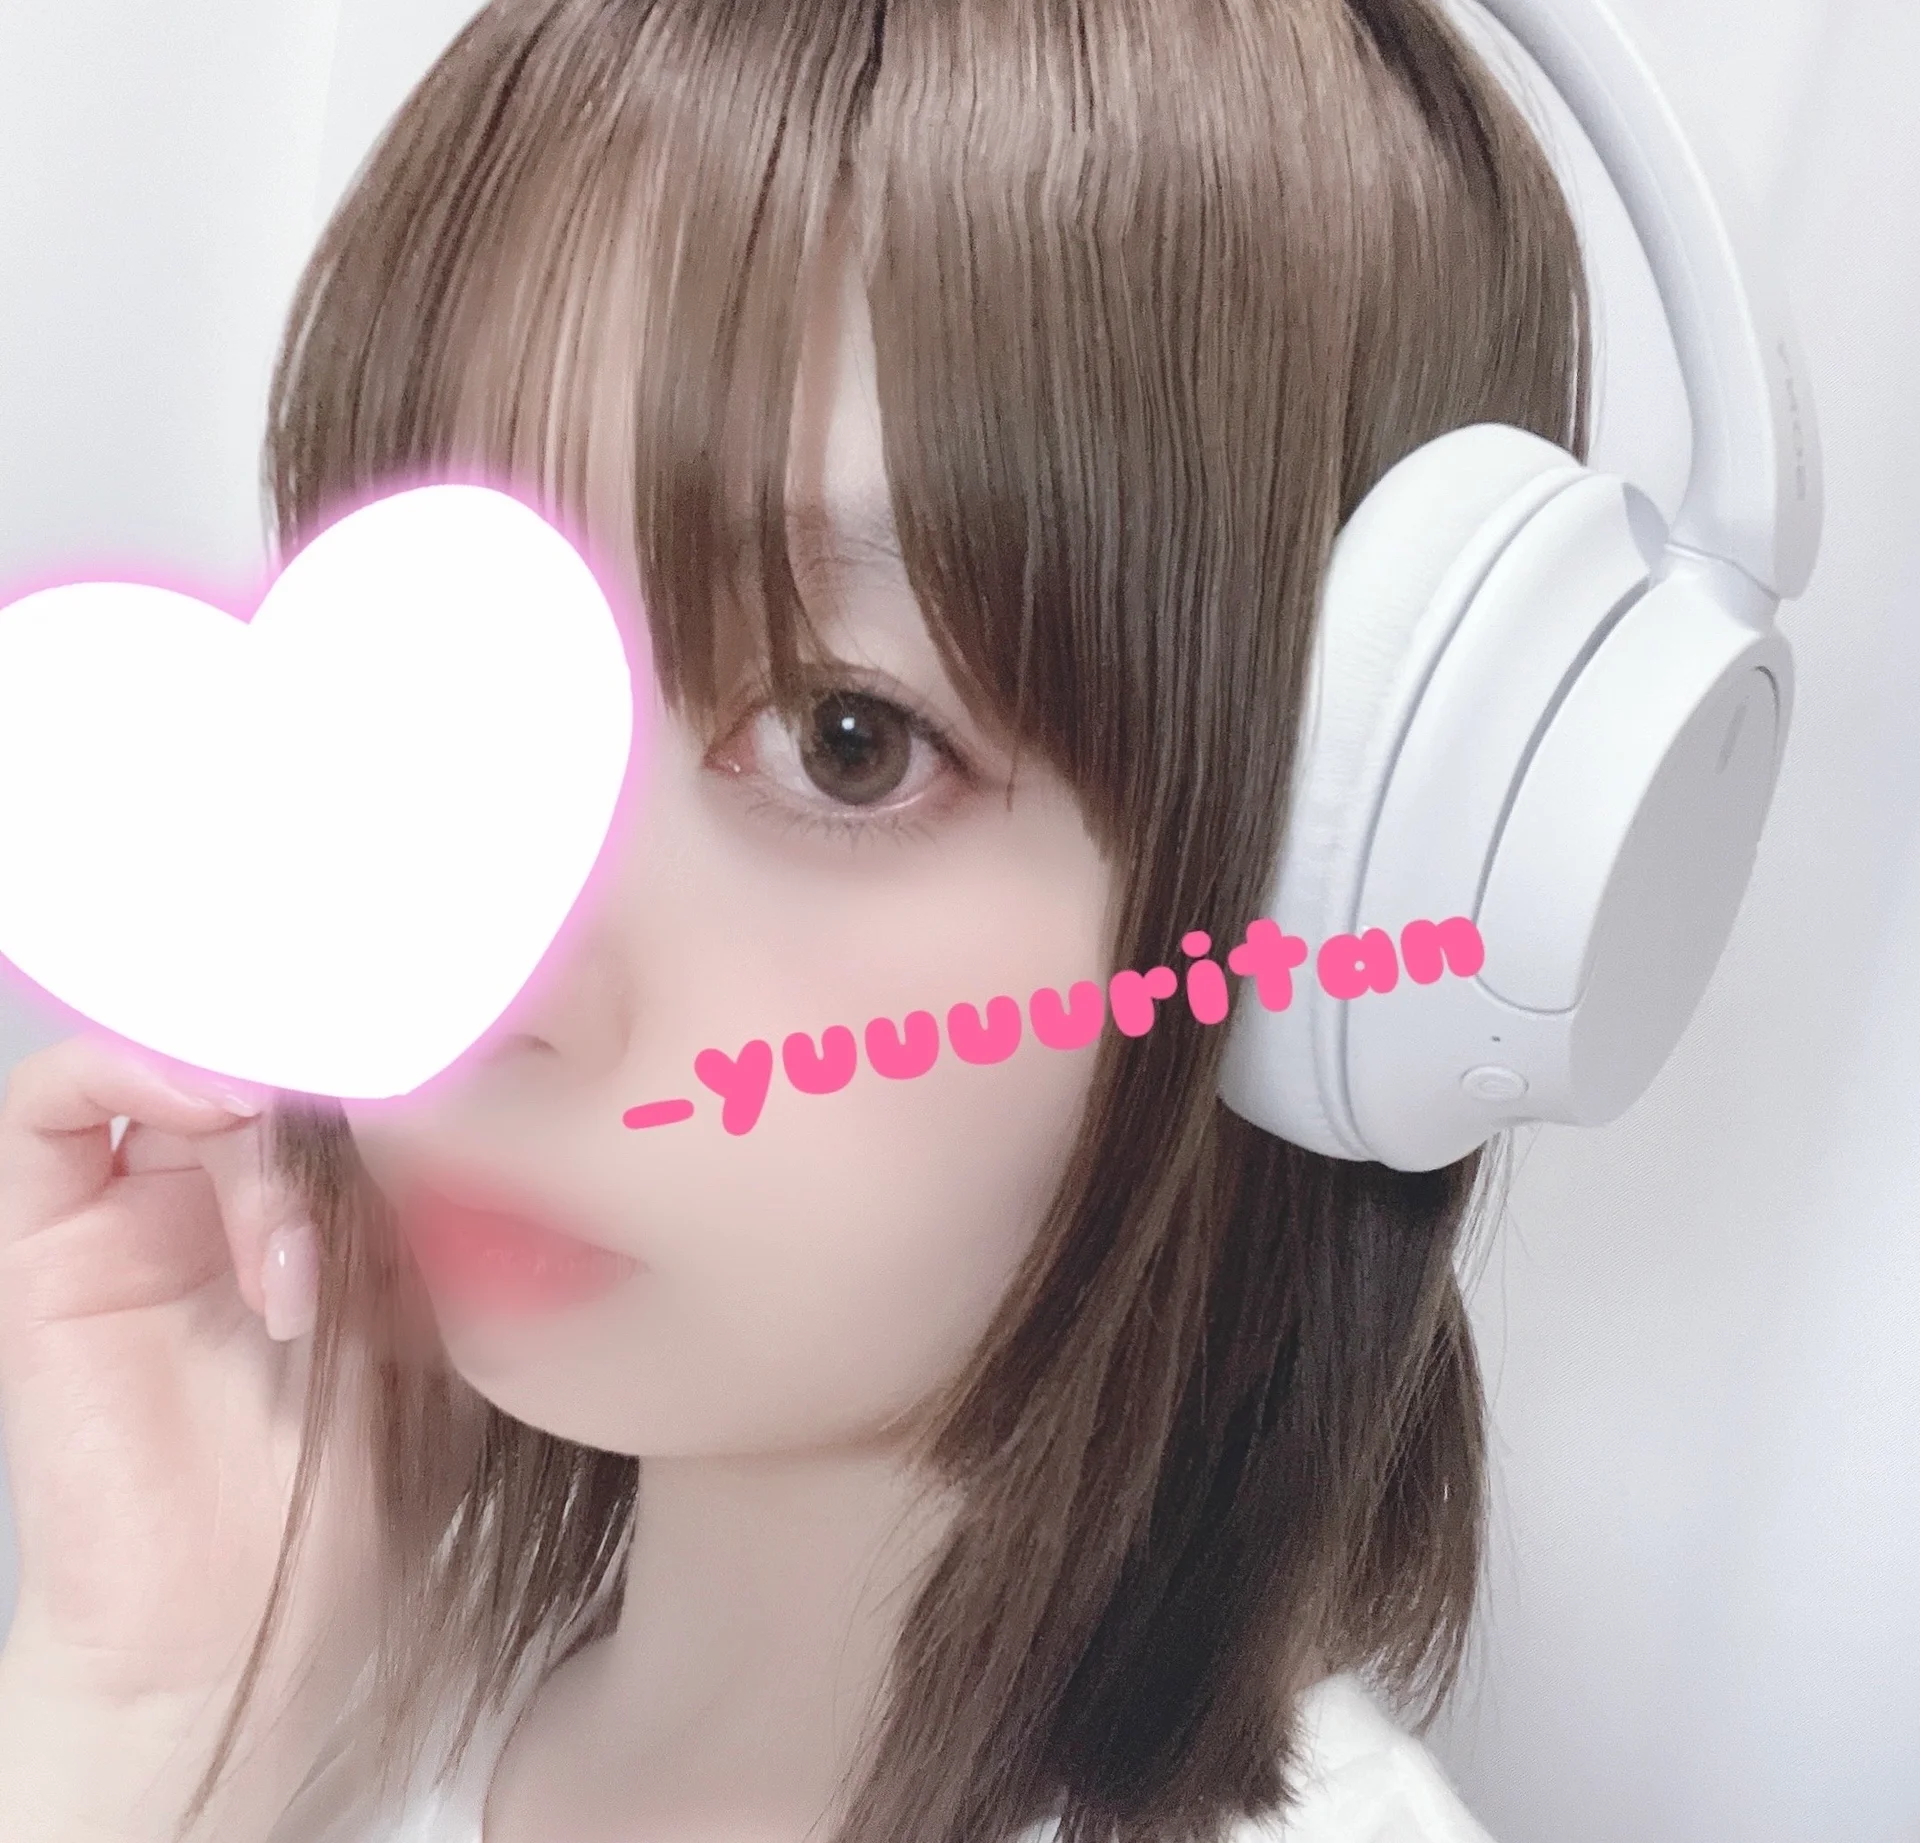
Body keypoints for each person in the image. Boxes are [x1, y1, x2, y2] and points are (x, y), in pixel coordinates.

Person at [0, 0, 1592, 1837]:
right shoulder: (335, 1723)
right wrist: (150, 1718)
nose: (498, 989)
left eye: (846, 741)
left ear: (1336, 888)